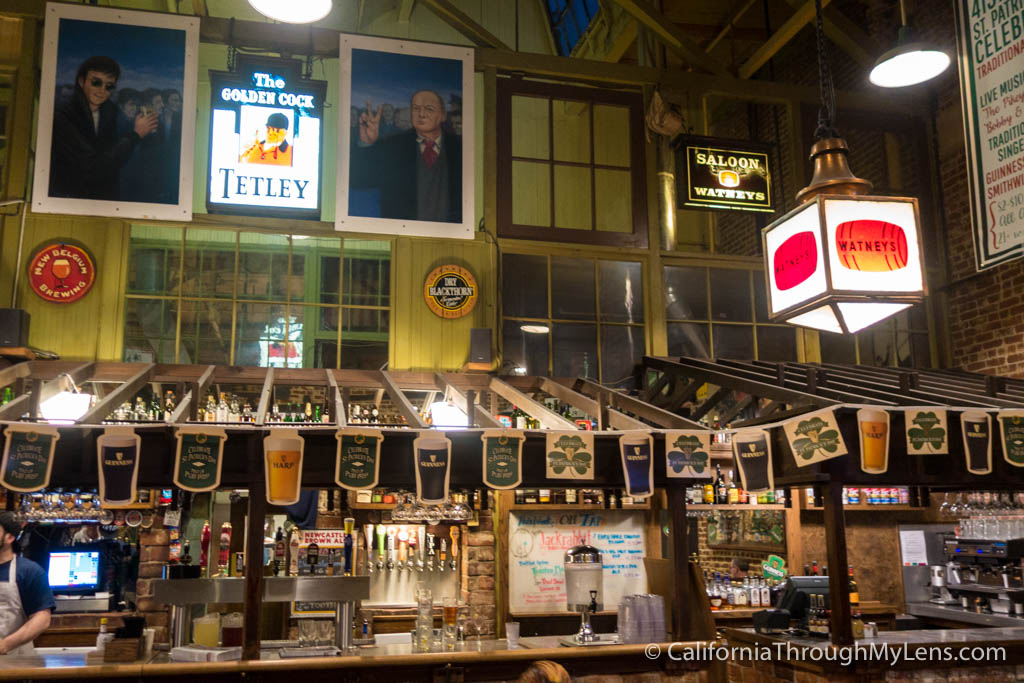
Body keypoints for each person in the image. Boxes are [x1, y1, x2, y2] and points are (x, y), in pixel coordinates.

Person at [48, 56, 158, 200]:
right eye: (96, 82)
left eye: (109, 86)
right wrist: (136, 134)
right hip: (73, 198)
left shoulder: (111, 111)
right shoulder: (63, 115)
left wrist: (148, 131)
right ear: (81, 81)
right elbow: (93, 168)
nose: (102, 90)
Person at [349, 89, 462, 223]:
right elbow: (360, 181)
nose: (422, 114)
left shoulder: (459, 148)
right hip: (399, 237)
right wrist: (366, 144)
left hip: (449, 238)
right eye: (416, 108)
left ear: (443, 115)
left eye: (429, 109)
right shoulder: (392, 146)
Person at [0, 512, 55, 655]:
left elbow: (42, 618)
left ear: (10, 537)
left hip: (14, 660)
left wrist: (5, 644)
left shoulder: (29, 571)